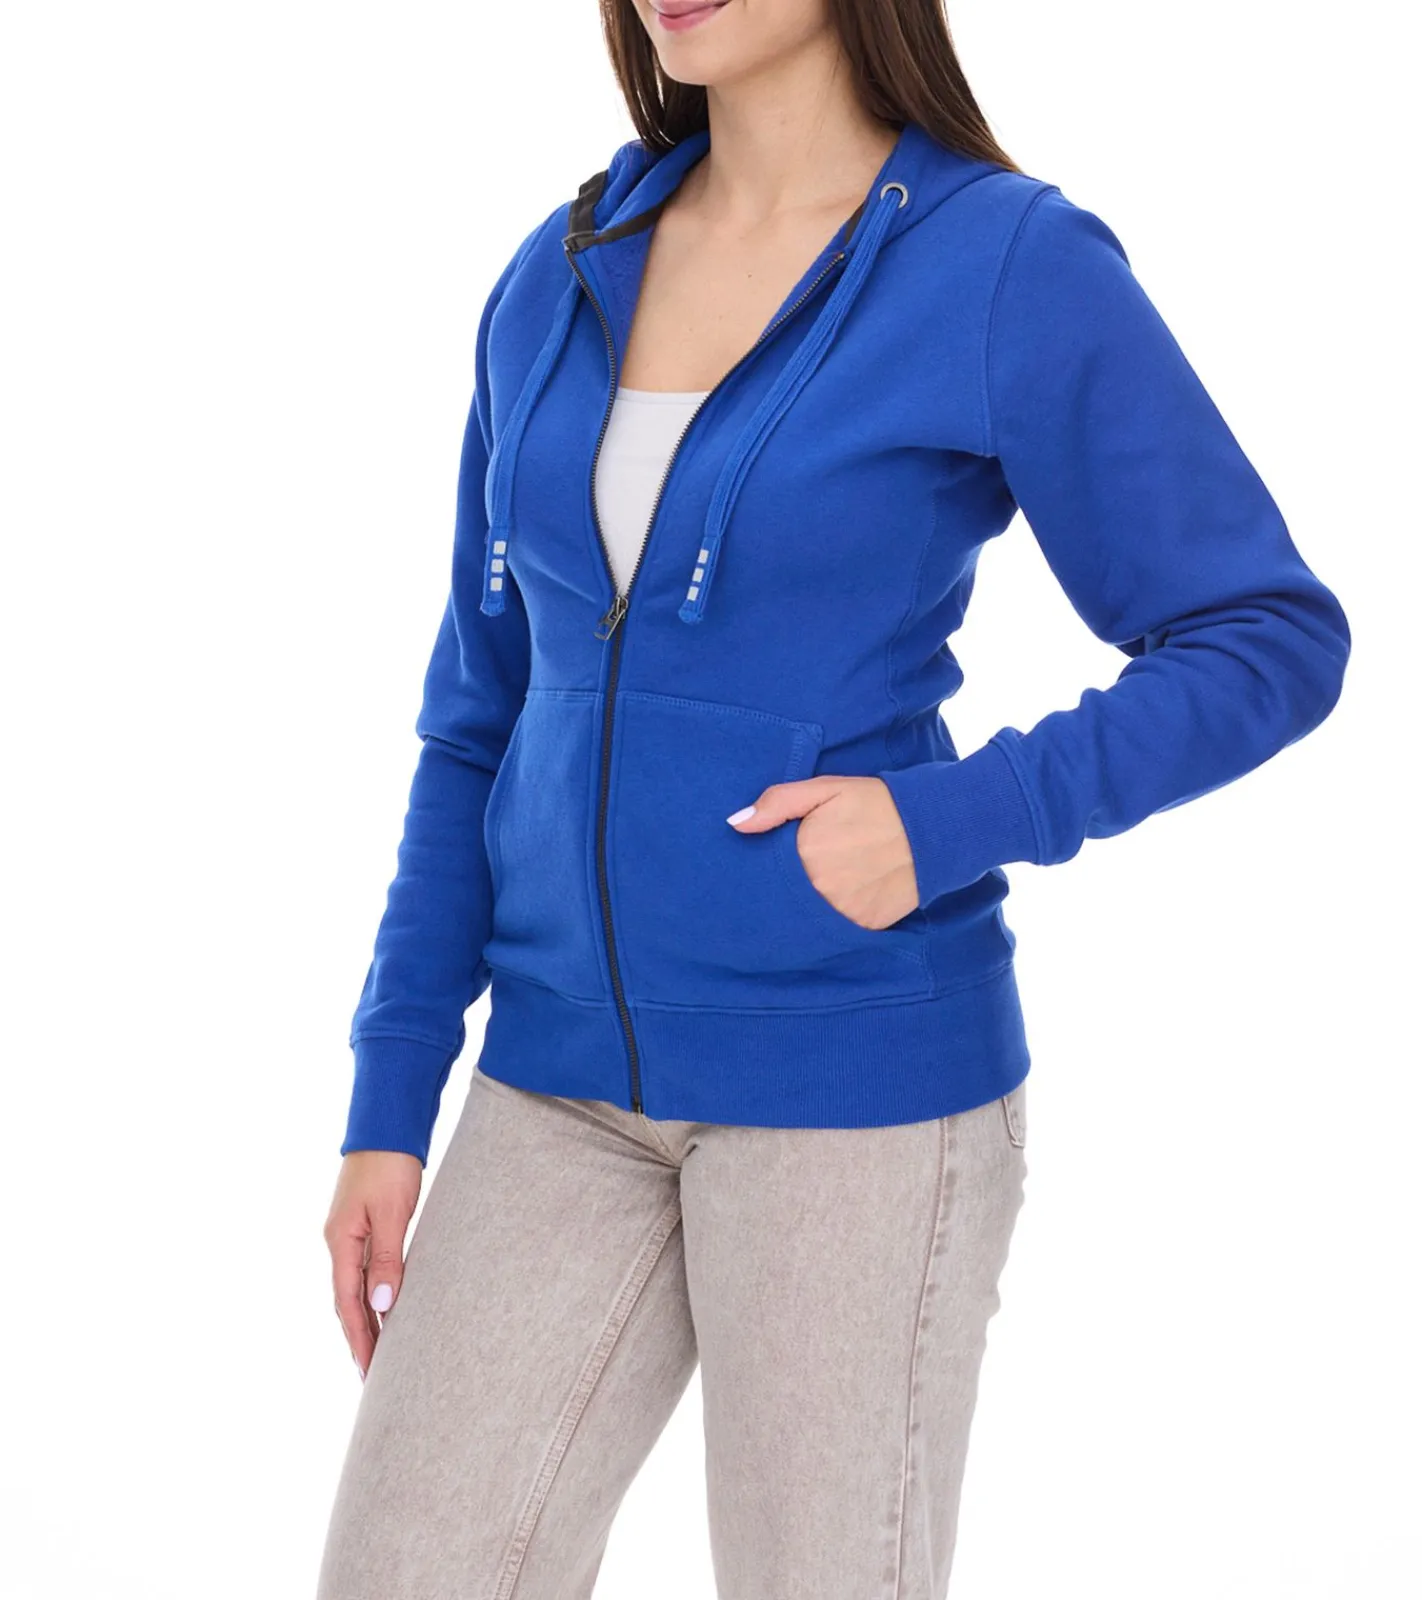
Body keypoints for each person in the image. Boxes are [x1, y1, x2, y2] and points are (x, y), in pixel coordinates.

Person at [316, 1, 1351, 1595]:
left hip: (852, 1088)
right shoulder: (562, 270)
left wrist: (946, 823)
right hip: (557, 1083)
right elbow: (478, 723)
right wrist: (390, 1098)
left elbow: (1263, 635)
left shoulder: (1002, 262)